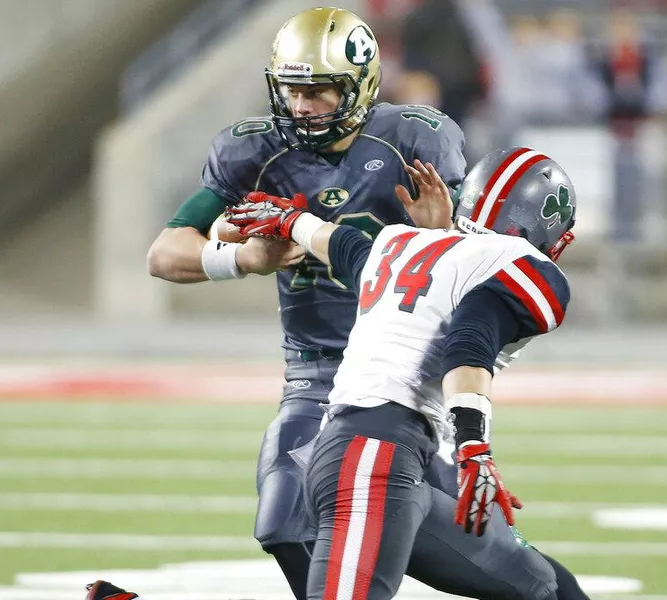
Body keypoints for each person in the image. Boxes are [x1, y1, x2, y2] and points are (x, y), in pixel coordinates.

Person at [90, 148, 588, 600]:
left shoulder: (401, 242)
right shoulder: (519, 263)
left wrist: (292, 220)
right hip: (373, 455)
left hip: (380, 457)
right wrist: (474, 444)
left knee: (543, 586)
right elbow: (468, 343)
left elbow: (342, 245)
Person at [146, 7, 468, 600]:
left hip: (406, 376)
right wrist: (243, 260)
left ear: (361, 82)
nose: (301, 105)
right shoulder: (255, 153)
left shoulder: (416, 140)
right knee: (282, 522)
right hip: (315, 375)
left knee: (470, 552)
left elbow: (470, 268)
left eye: (318, 89)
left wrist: (445, 237)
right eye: (291, 89)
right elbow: (164, 253)